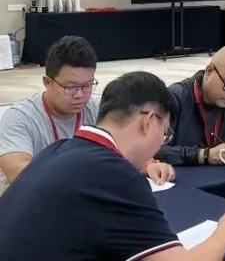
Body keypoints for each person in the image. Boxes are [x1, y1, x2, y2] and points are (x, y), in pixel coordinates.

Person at [0, 71, 225, 260]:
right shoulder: (116, 174)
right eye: (165, 133)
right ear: (149, 121)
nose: (161, 142)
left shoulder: (55, 151)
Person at [0, 36, 173, 192]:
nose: (79, 95)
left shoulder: (99, 108)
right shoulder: (19, 117)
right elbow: (18, 173)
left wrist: (148, 164)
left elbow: (126, 145)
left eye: (87, 85)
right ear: (47, 82)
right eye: (70, 87)